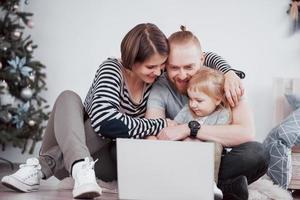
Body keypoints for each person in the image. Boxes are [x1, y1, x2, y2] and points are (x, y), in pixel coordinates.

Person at [1, 23, 171, 199]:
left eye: (162, 65)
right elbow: (106, 123)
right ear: (131, 60)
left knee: (109, 123)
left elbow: (195, 64)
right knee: (69, 98)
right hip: (73, 158)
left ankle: (42, 166)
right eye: (151, 67)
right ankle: (80, 165)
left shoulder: (159, 81)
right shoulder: (112, 69)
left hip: (105, 164)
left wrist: (200, 55)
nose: (158, 72)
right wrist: (159, 124)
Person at [145, 26, 270, 200]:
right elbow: (154, 135)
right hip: (180, 157)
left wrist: (189, 128)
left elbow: (246, 132)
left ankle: (199, 185)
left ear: (202, 59)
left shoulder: (225, 81)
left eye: (189, 67)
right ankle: (225, 187)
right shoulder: (160, 87)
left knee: (258, 153)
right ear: (166, 65)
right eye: (174, 68)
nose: (182, 75)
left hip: (217, 158)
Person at [175, 67, 232, 200]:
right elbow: (175, 126)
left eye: (199, 101)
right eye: (190, 99)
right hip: (186, 155)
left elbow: (219, 135)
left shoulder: (222, 114)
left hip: (211, 160)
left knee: (215, 144)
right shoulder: (187, 110)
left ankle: (210, 184)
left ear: (217, 100)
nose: (193, 104)